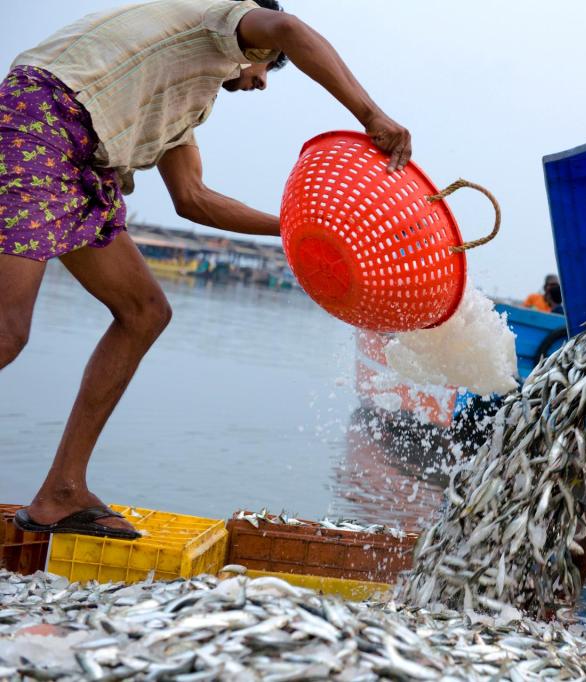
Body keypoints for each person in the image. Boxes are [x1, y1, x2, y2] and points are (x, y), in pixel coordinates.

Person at [2, 0, 411, 539]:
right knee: (7, 332)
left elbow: (193, 200)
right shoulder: (218, 12)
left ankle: (62, 491)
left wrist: (303, 233)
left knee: (144, 311)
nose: (262, 82)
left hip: (80, 162)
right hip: (41, 123)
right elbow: (286, 25)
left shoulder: (183, 97)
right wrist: (371, 116)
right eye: (268, 65)